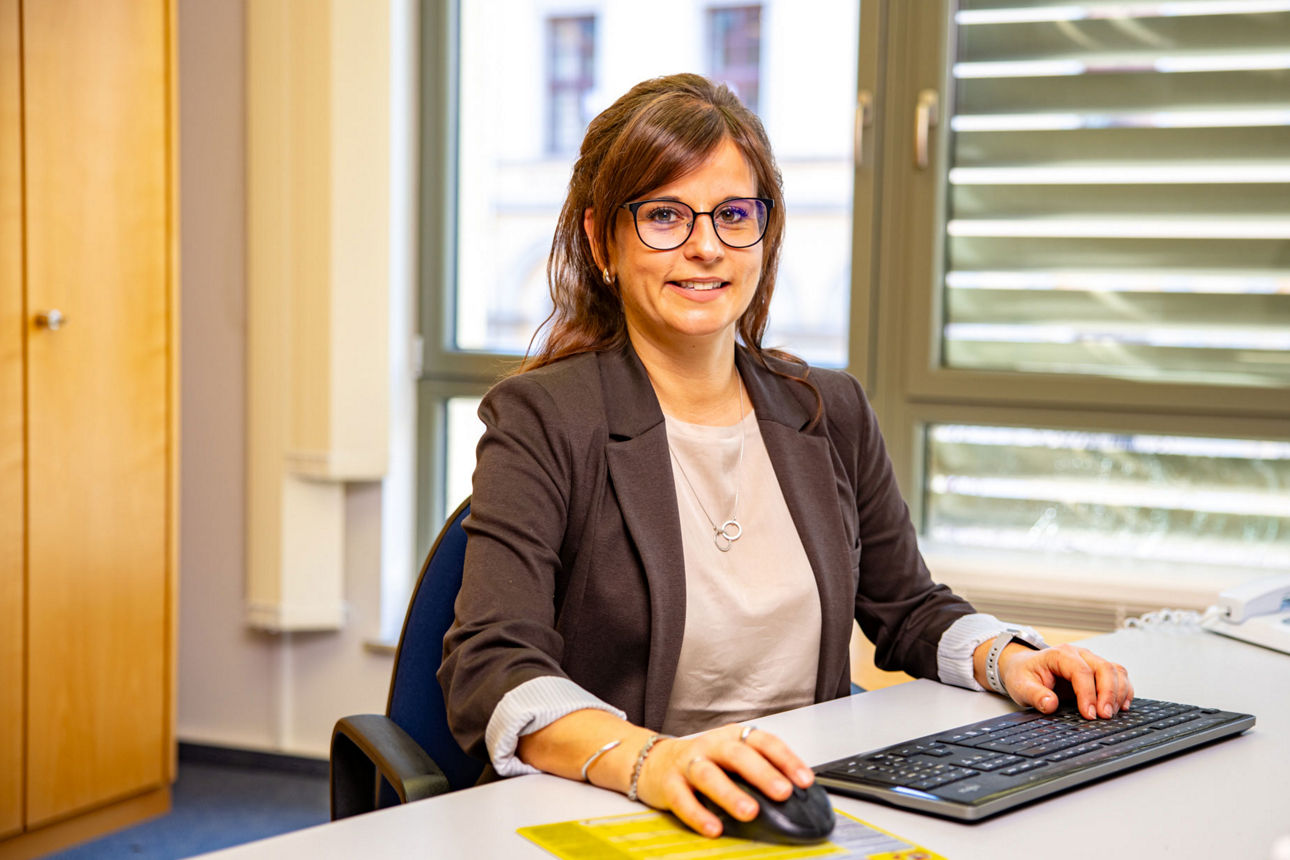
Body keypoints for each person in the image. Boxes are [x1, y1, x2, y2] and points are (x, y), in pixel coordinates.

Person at [439, 73, 1133, 838]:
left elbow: (906, 609)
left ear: (763, 234)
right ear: (604, 239)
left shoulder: (828, 410)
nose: (705, 246)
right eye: (665, 215)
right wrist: (654, 762)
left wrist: (1011, 657)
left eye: (735, 214)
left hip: (800, 803)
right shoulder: (545, 416)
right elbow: (493, 662)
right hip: (620, 804)